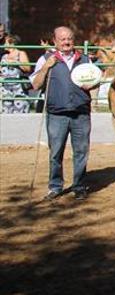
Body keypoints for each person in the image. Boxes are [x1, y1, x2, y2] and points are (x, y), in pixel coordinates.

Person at [30, 26, 96, 201]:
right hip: (56, 114)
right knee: (55, 152)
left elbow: (95, 80)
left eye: (69, 39)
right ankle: (55, 186)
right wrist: (46, 67)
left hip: (81, 113)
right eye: (62, 39)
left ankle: (79, 185)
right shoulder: (45, 59)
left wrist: (93, 85)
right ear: (54, 41)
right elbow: (35, 85)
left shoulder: (84, 59)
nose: (66, 42)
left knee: (81, 151)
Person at [1, 34, 32, 114]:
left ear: (12, 43)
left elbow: (28, 68)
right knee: (6, 112)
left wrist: (16, 63)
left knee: (19, 112)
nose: (3, 45)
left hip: (18, 88)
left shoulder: (20, 53)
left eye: (5, 42)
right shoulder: (4, 56)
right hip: (6, 89)